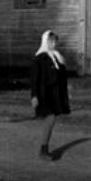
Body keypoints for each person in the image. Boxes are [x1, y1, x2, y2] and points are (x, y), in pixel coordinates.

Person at [30, 29, 70, 161]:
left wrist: (66, 91)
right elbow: (34, 79)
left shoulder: (57, 57)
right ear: (45, 41)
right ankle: (43, 150)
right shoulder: (39, 58)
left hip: (55, 94)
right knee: (50, 118)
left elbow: (61, 77)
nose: (53, 43)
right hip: (43, 93)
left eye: (55, 41)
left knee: (51, 119)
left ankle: (44, 149)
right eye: (51, 41)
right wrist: (34, 95)